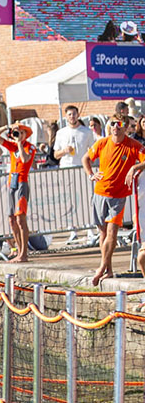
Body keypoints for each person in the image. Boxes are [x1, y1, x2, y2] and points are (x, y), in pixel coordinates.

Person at [84, 114, 145, 283]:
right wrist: (91, 174)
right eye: (113, 124)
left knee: (112, 231)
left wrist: (135, 166)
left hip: (118, 196)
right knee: (102, 232)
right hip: (100, 192)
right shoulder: (102, 143)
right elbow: (86, 158)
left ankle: (102, 267)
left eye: (120, 124)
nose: (116, 127)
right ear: (109, 126)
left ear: (125, 127)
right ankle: (108, 268)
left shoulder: (133, 145)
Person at [0, 123, 39, 262]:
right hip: (11, 182)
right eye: (16, 133)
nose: (17, 135)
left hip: (22, 182)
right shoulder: (12, 146)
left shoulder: (29, 147)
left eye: (20, 132)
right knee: (11, 219)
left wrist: (20, 143)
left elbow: (24, 159)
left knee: (21, 218)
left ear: (25, 134)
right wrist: (5, 128)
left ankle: (24, 254)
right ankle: (19, 250)